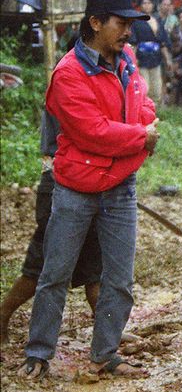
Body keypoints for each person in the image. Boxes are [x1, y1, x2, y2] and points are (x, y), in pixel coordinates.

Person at [18, 0, 158, 380]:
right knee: (55, 275)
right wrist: (141, 138)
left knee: (119, 278)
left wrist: (138, 127)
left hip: (120, 187)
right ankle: (39, 353)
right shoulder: (68, 73)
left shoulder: (126, 59)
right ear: (95, 22)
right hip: (75, 190)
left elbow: (143, 103)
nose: (127, 32)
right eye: (121, 23)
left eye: (131, 24)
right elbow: (92, 132)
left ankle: (106, 353)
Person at [1, 112, 101, 346]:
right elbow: (90, 132)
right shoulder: (68, 81)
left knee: (96, 265)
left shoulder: (90, 80)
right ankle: (3, 316)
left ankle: (107, 331)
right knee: (44, 264)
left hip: (90, 179)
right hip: (61, 180)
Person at [130, 0, 172, 104]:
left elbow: (162, 43)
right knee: (145, 87)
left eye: (149, 3)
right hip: (142, 58)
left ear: (153, 5)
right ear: (140, 6)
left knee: (157, 87)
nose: (147, 5)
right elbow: (133, 43)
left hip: (156, 58)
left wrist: (167, 59)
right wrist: (133, 60)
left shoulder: (158, 21)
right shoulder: (135, 22)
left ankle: (155, 111)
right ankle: (144, 111)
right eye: (144, 3)